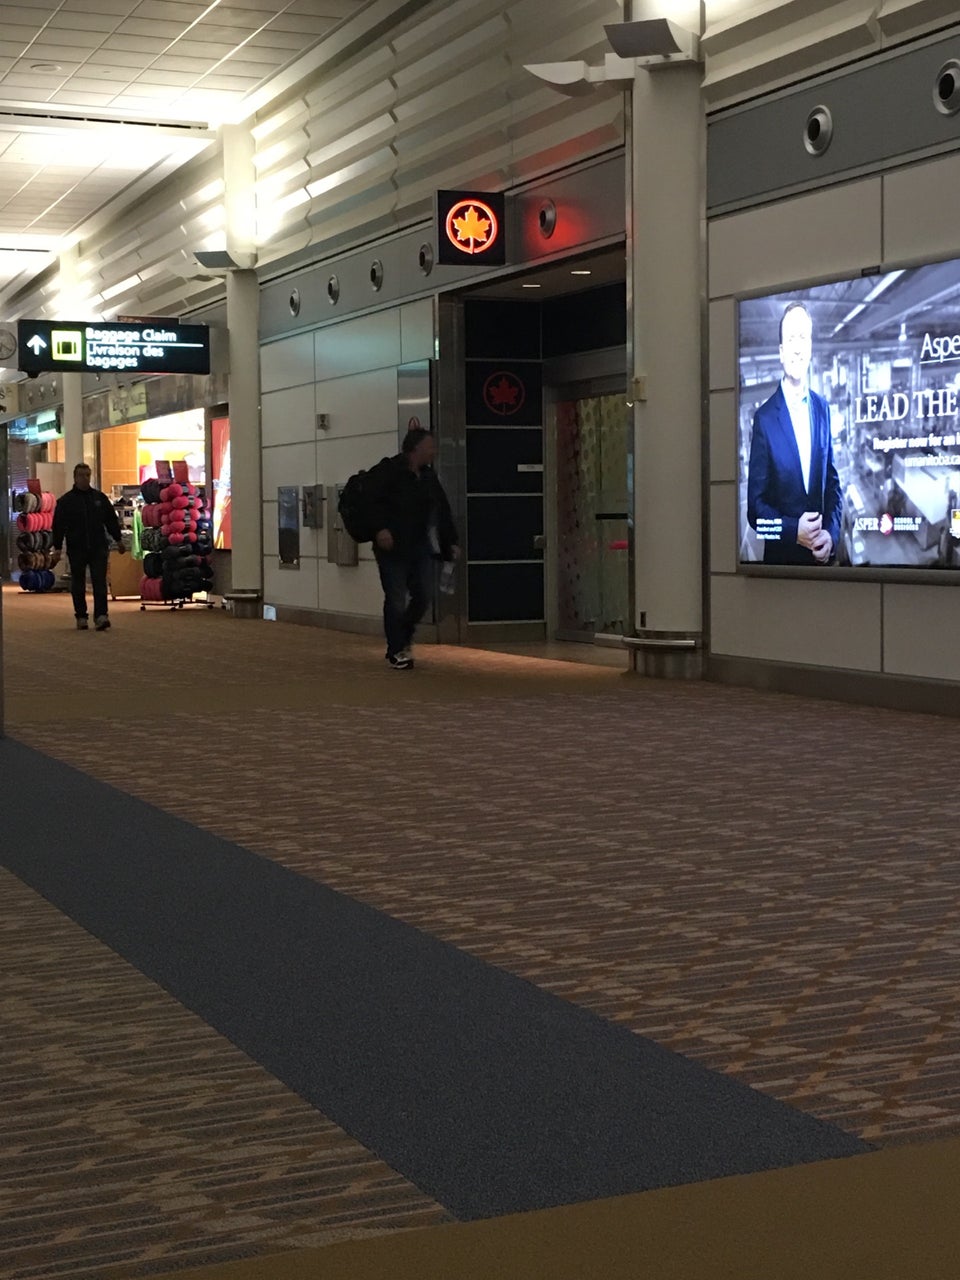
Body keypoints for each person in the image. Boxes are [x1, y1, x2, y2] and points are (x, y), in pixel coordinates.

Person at [747, 301, 842, 565]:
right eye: (790, 339)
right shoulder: (764, 420)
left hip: (823, 569)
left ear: (810, 348)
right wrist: (792, 531)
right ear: (780, 351)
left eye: (802, 338)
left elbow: (833, 485)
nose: (797, 348)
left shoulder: (823, 409)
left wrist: (831, 535)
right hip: (781, 571)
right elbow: (755, 512)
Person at [368, 428, 459, 669]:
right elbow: (371, 502)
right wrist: (380, 529)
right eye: (430, 447)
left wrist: (451, 541)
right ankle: (396, 649)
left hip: (419, 546)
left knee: (423, 595)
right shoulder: (389, 471)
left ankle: (403, 633)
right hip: (392, 547)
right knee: (396, 597)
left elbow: (441, 510)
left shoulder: (428, 477)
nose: (434, 451)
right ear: (416, 448)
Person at [50, 463, 124, 631]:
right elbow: (59, 526)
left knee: (100, 582)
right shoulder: (66, 501)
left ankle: (101, 616)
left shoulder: (99, 498)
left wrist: (118, 539)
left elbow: (110, 520)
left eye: (88, 475)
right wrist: (57, 547)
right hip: (77, 547)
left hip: (99, 546)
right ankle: (81, 616)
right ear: (75, 478)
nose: (85, 478)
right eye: (82, 475)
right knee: (78, 583)